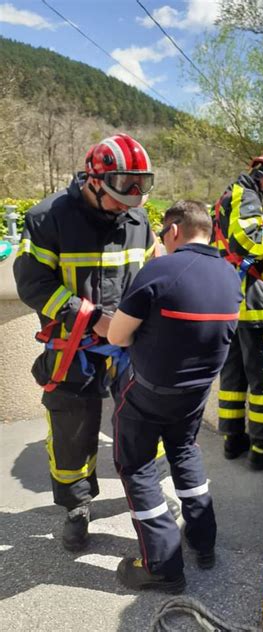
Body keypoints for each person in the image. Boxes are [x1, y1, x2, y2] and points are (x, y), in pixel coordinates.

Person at [14, 133, 156, 551]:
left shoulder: (137, 219)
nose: (130, 203)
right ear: (94, 181)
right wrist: (89, 318)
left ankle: (146, 502)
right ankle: (77, 508)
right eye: (120, 194)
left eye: (138, 192)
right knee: (73, 430)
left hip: (129, 347)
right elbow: (33, 283)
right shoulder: (48, 219)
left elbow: (148, 275)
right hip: (73, 348)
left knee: (143, 423)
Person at [108, 200, 242, 592]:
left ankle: (162, 565)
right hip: (196, 393)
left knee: (136, 467)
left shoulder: (161, 269)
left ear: (171, 232)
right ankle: (203, 541)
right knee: (184, 453)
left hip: (149, 391)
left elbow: (117, 335)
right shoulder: (229, 275)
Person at [212, 154, 263, 470]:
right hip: (252, 295)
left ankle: (233, 440)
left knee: (233, 372)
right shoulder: (246, 195)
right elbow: (246, 240)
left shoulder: (225, 197)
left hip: (228, 297)